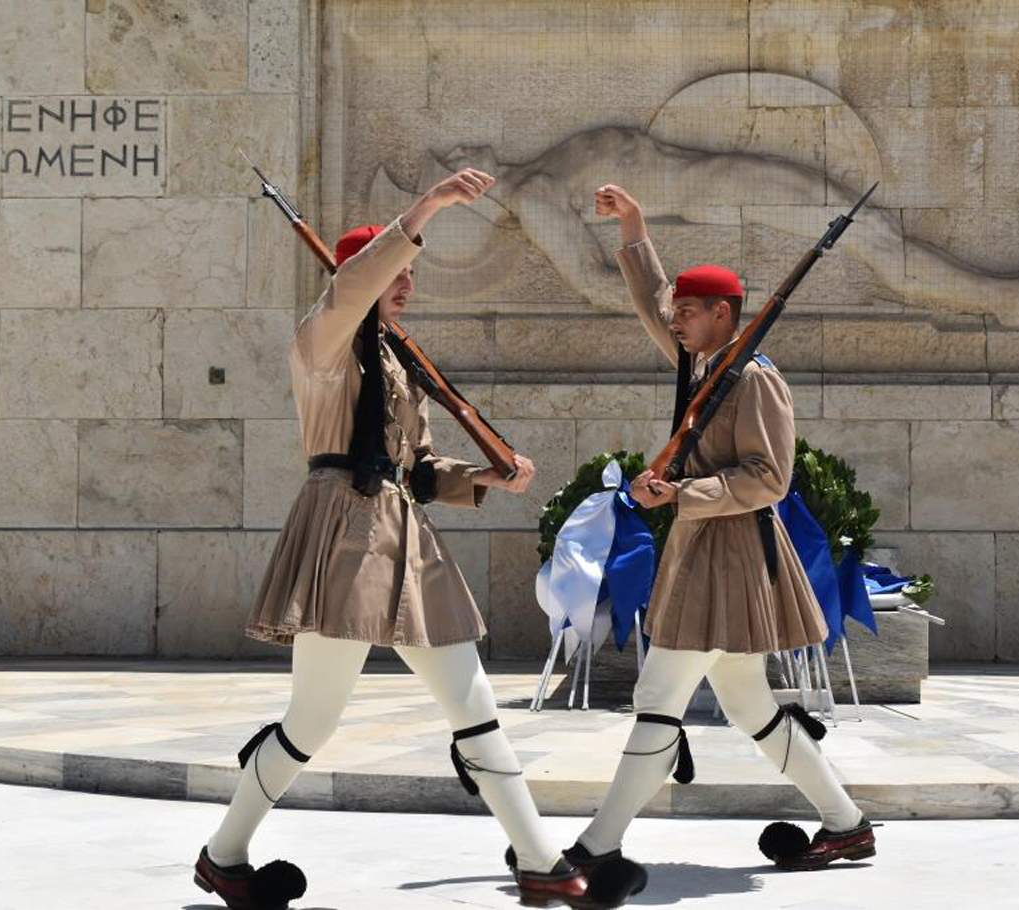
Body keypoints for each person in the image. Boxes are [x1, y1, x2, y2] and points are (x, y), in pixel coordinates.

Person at [192, 168, 630, 910]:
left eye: (412, 275)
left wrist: (487, 477)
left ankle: (541, 861)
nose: (407, 284)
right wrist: (425, 207)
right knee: (312, 719)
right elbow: (352, 289)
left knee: (473, 704)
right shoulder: (324, 343)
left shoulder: (397, 365)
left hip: (403, 534)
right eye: (397, 272)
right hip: (343, 531)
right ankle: (223, 854)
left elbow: (417, 469)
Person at [564, 183, 878, 876]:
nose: (671, 320)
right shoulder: (701, 363)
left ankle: (595, 848)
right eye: (674, 310)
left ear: (722, 314)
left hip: (732, 552)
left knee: (657, 698)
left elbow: (769, 478)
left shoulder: (755, 379)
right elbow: (649, 301)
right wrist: (634, 228)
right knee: (749, 702)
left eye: (687, 311)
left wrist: (682, 492)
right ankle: (847, 824)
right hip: (705, 547)